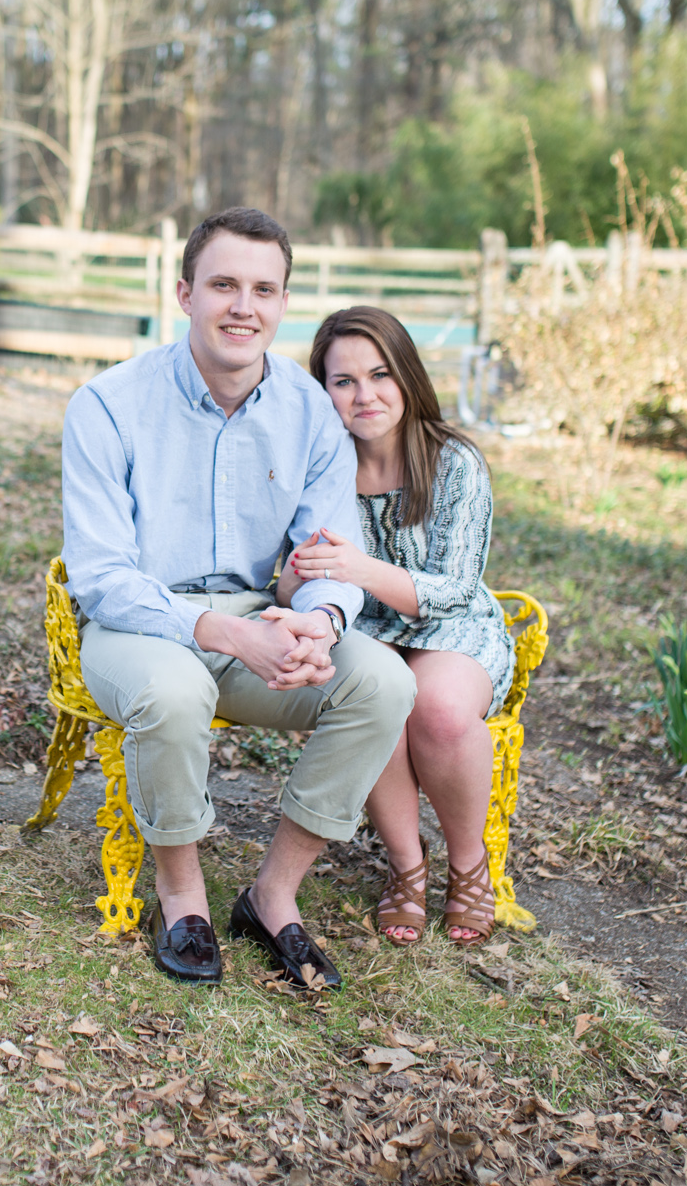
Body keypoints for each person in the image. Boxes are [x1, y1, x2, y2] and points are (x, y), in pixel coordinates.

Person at [60, 208, 417, 989]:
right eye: (224, 284)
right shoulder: (108, 404)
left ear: (283, 303)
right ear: (185, 292)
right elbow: (101, 576)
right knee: (173, 687)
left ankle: (272, 893)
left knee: (384, 679)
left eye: (263, 288)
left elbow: (326, 552)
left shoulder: (310, 412)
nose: (243, 306)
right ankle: (181, 891)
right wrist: (223, 630)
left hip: (265, 615)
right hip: (139, 624)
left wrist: (320, 619)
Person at [279, 307, 514, 947]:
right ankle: (407, 867)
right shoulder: (321, 467)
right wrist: (302, 577)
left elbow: (455, 589)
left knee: (436, 708)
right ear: (322, 391)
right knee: (377, 695)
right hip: (364, 624)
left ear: (406, 375)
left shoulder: (453, 462)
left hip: (451, 625)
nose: (365, 395)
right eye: (343, 381)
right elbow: (289, 578)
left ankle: (469, 866)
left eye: (380, 374)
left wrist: (356, 565)